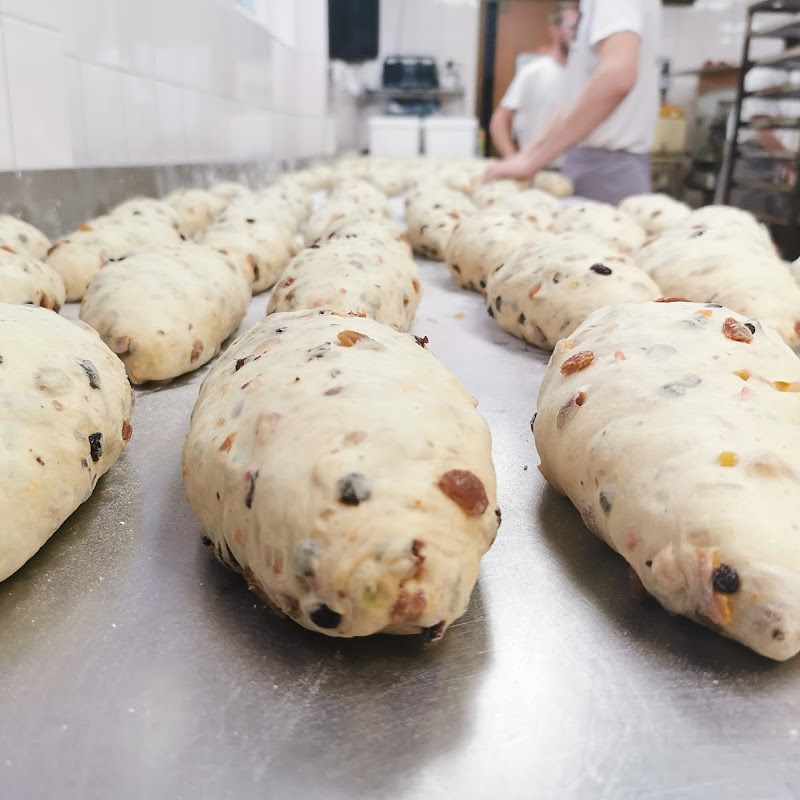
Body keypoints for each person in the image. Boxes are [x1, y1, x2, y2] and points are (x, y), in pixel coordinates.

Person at [485, 0, 663, 205]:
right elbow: (574, 101)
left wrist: (532, 162)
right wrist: (526, 157)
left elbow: (617, 77)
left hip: (608, 170)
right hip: (591, 164)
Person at [489, 4, 579, 160]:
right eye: (573, 27)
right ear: (554, 30)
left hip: (576, 169)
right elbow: (499, 121)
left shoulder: (586, 77)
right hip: (537, 167)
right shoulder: (532, 73)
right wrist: (513, 160)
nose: (577, 34)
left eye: (581, 29)